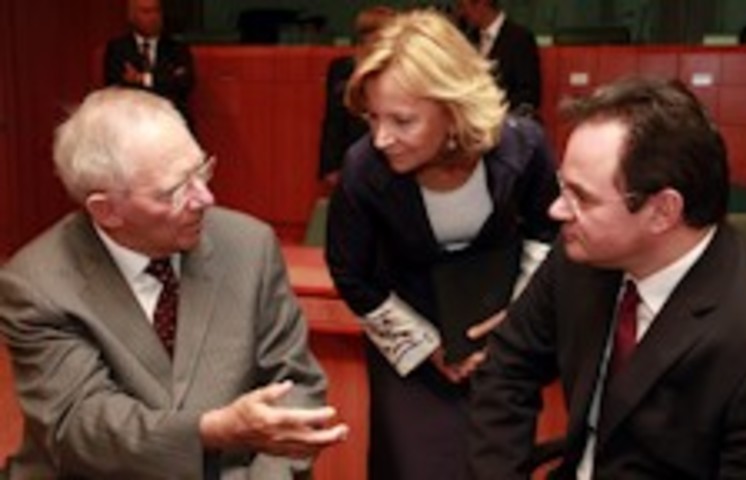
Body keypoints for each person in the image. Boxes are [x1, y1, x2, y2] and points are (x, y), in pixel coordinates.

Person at [0, 87, 348, 479]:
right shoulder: (37, 284)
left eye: (201, 171)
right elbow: (84, 428)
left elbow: (296, 386)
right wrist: (212, 430)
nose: (205, 198)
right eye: (175, 191)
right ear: (107, 210)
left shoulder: (249, 246)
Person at [469, 77, 746, 479]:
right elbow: (507, 366)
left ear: (663, 211)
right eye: (562, 187)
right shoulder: (581, 254)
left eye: (582, 197)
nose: (557, 210)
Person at [325, 9, 560, 480]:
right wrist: (427, 347)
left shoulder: (523, 146)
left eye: (402, 121)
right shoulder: (363, 169)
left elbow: (548, 232)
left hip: (503, 339)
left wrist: (518, 316)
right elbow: (351, 273)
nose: (382, 138)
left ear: (453, 108)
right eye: (373, 118)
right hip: (412, 347)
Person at [318, 6, 396, 188]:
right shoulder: (342, 69)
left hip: (391, 155)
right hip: (354, 154)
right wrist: (331, 166)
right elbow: (333, 120)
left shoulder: (401, 68)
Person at [104, 0, 195, 125]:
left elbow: (184, 84)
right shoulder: (118, 48)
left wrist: (142, 79)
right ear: (132, 16)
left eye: (157, 11)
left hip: (169, 117)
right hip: (130, 119)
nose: (154, 17)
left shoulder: (176, 49)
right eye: (146, 12)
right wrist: (164, 80)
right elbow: (115, 87)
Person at [457, 0, 542, 118]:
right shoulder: (469, 38)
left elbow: (529, 95)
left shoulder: (520, 38)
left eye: (463, 6)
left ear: (482, 3)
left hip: (507, 121)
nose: (461, 13)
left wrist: (490, 106)